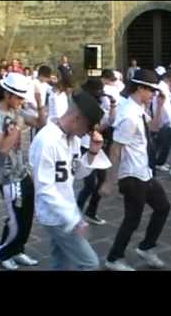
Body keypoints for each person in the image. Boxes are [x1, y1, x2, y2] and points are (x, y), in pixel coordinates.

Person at [29, 91, 111, 270]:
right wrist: (74, 219)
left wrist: (93, 152)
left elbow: (76, 173)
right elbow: (45, 189)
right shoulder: (46, 141)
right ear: (77, 119)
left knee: (61, 262)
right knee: (90, 263)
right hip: (56, 216)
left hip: (65, 211)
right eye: (88, 128)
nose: (88, 133)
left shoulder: (72, 139)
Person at [99, 69, 171, 271]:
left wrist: (160, 106)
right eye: (151, 91)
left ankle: (146, 247)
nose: (154, 95)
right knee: (132, 219)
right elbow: (116, 148)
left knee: (163, 207)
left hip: (144, 171)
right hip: (132, 175)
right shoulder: (129, 114)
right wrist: (110, 181)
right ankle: (114, 258)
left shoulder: (138, 108)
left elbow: (154, 128)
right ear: (140, 88)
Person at [0, 72, 46, 270]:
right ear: (7, 94)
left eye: (22, 97)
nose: (20, 101)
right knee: (15, 217)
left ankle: (18, 250)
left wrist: (39, 103)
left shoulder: (17, 111)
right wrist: (18, 128)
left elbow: (40, 123)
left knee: (27, 214)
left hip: (22, 171)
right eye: (18, 97)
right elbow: (1, 149)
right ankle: (3, 253)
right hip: (7, 175)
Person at [77, 77, 117, 225]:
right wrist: (99, 128)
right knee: (89, 184)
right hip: (84, 145)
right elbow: (92, 128)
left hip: (97, 146)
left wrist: (113, 105)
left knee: (101, 180)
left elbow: (110, 121)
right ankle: (76, 213)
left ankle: (91, 212)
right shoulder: (83, 105)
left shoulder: (100, 104)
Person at [153, 68, 171, 172]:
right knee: (165, 143)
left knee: (160, 143)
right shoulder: (162, 88)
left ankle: (157, 161)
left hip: (165, 119)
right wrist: (167, 120)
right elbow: (164, 106)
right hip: (165, 120)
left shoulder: (164, 87)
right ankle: (159, 162)